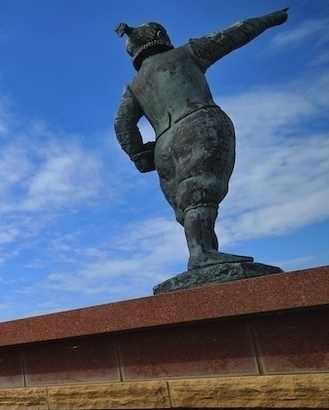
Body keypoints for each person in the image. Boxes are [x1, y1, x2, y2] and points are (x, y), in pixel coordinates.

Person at [113, 9, 289, 271]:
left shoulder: (134, 86)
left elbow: (121, 124)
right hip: (197, 124)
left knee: (188, 205)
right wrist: (270, 19)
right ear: (160, 36)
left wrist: (140, 156)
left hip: (163, 145)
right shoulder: (187, 53)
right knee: (201, 193)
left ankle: (205, 253)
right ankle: (203, 254)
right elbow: (233, 34)